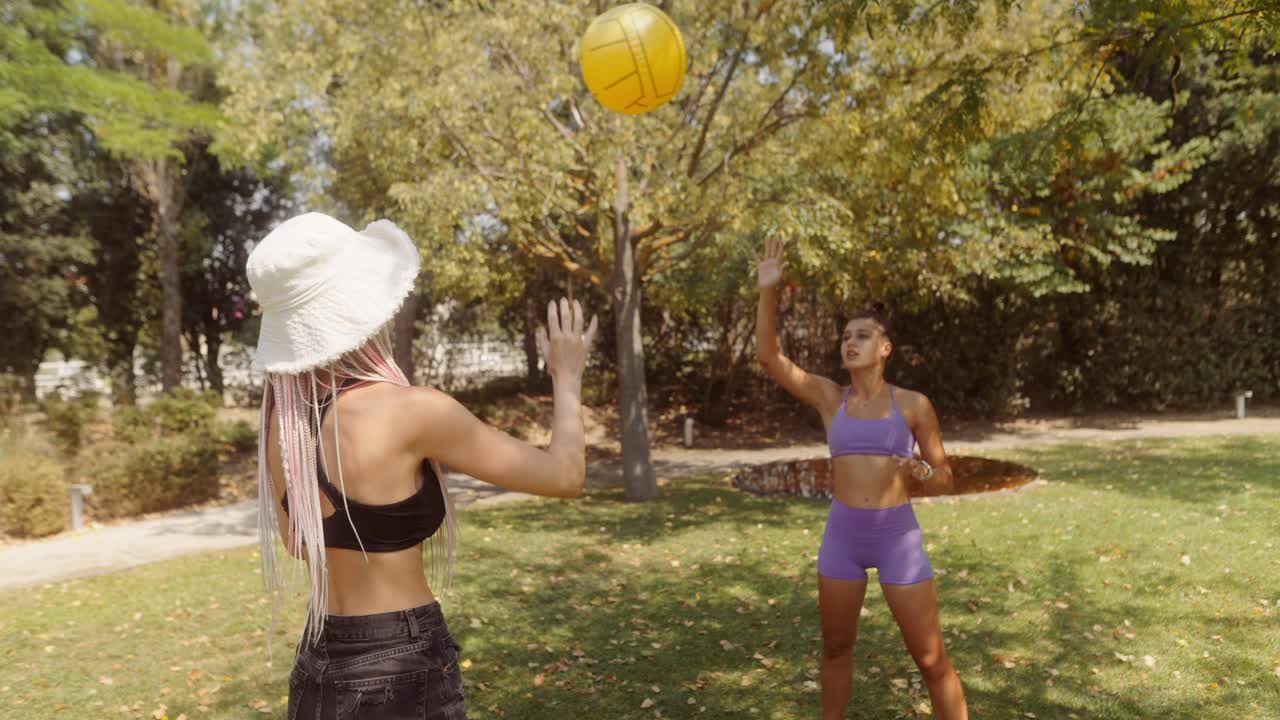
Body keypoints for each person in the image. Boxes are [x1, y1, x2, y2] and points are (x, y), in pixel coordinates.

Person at [247, 212, 597, 720]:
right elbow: (565, 475)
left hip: (319, 661)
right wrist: (567, 376)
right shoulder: (412, 411)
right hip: (400, 660)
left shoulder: (284, 422)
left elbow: (301, 544)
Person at [752, 237, 968, 719]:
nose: (850, 342)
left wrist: (922, 474)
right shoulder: (831, 398)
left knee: (932, 660)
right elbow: (770, 359)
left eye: (862, 335)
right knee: (835, 648)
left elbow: (947, 479)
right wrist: (768, 291)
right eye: (846, 336)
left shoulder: (913, 405)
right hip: (843, 537)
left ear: (885, 347)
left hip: (898, 537)